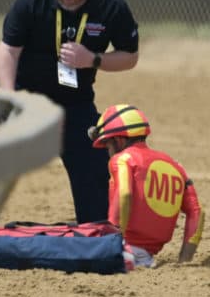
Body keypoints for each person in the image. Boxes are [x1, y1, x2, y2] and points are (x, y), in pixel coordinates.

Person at [0, 0, 139, 223]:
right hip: (24, 95)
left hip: (74, 101)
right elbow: (8, 50)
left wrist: (92, 59)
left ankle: (93, 230)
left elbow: (130, 56)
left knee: (93, 163)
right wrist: (10, 98)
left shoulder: (110, 6)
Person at [87, 104, 203, 265]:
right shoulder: (176, 167)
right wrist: (184, 260)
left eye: (107, 145)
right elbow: (196, 212)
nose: (107, 151)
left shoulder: (123, 159)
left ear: (119, 140)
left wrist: (114, 240)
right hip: (147, 257)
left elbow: (125, 194)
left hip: (121, 252)